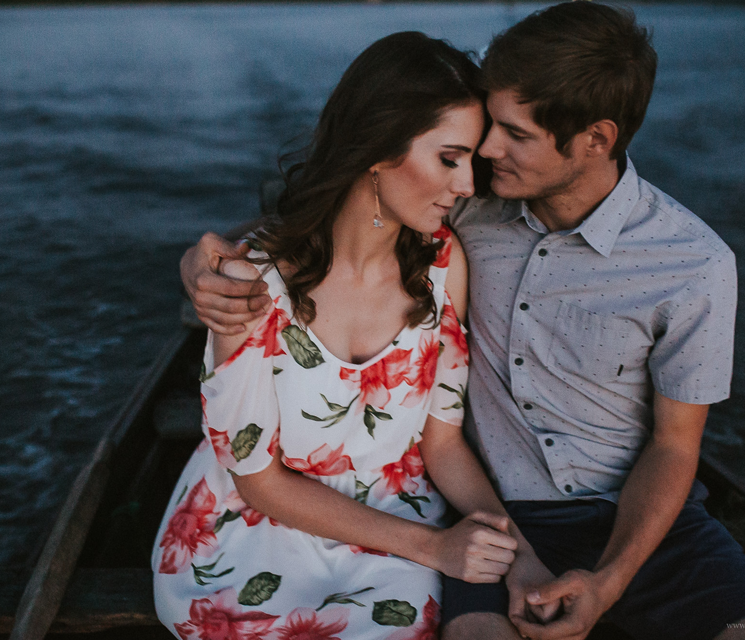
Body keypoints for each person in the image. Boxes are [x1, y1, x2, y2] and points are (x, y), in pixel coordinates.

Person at [179, 5, 745, 640]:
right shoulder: (466, 208)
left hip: (643, 521)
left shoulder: (694, 265)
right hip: (495, 509)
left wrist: (609, 581)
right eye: (483, 133)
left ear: (597, 138)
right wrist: (200, 260)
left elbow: (675, 447)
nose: (484, 154)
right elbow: (327, 216)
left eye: (515, 133)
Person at [152, 31, 544, 640]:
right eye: (449, 158)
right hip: (253, 535)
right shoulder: (252, 284)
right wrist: (436, 549)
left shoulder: (444, 266)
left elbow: (442, 445)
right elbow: (258, 481)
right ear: (379, 151)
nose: (469, 184)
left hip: (393, 525)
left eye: (471, 159)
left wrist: (518, 553)